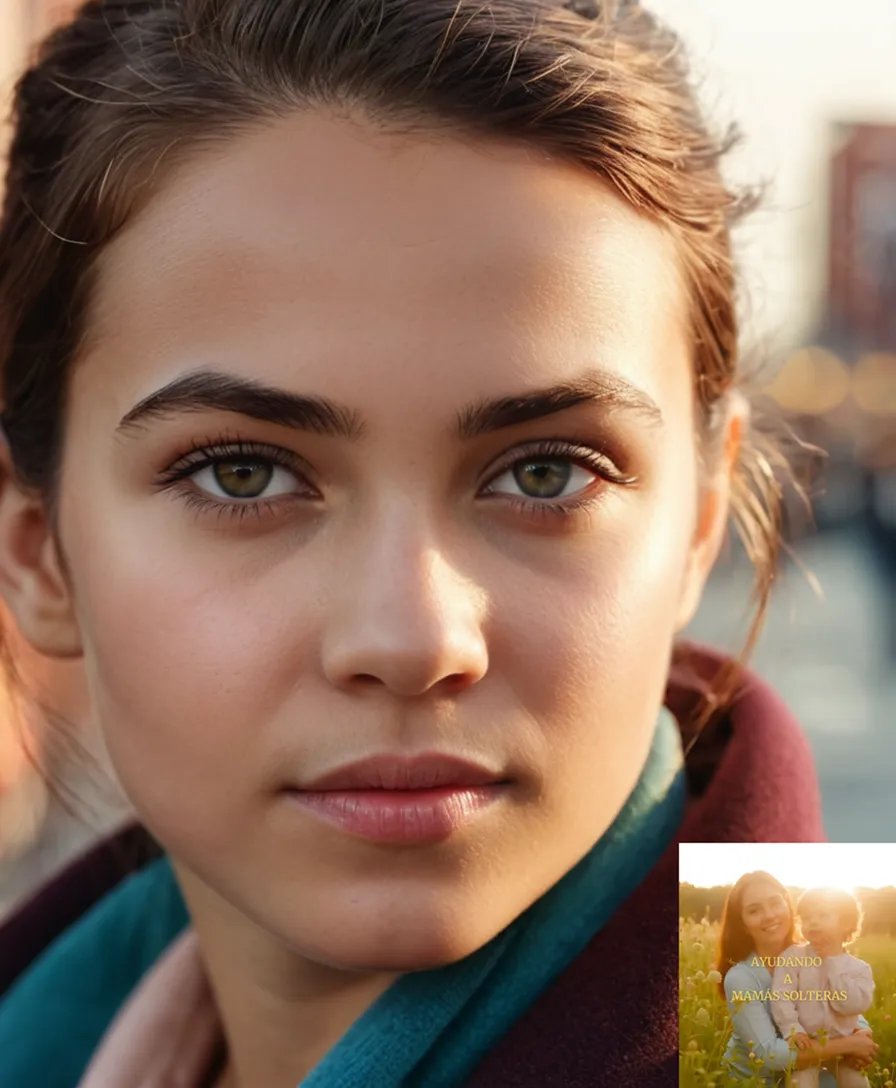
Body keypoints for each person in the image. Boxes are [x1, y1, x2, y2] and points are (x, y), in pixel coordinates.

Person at [0, 1, 828, 1085]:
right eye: (241, 472)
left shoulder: (838, 1049)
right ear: (36, 554)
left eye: (545, 471)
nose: (412, 634)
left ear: (699, 517)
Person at [717, 873, 878, 1086]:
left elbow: (835, 1001)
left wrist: (862, 1032)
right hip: (757, 1079)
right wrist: (849, 1045)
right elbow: (768, 1054)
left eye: (775, 903)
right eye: (754, 910)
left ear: (788, 906)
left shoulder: (814, 952)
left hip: (810, 1064)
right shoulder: (741, 977)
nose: (769, 915)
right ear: (744, 924)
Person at [770, 887, 875, 1088]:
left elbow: (851, 1006)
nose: (813, 922)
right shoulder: (792, 958)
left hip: (844, 1048)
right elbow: (781, 997)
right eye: (807, 918)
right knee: (801, 1083)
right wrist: (793, 1030)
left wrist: (833, 962)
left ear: (846, 923)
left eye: (823, 915)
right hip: (807, 1044)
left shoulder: (859, 969)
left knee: (857, 1083)